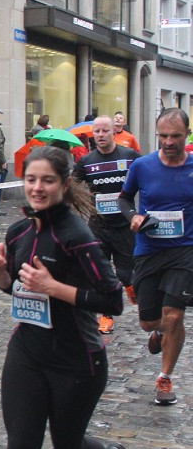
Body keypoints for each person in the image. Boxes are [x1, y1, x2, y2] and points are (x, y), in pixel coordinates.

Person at [0, 145, 126, 449]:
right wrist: (4, 277)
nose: (37, 188)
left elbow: (113, 301)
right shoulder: (17, 233)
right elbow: (19, 292)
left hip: (77, 361)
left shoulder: (77, 237)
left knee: (66, 447)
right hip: (27, 354)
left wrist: (55, 288)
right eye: (31, 179)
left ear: (64, 185)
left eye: (47, 180)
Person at [117, 108, 193, 406]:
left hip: (185, 251)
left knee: (175, 314)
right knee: (150, 322)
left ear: (187, 134)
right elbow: (124, 199)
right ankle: (159, 331)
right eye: (163, 136)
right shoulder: (143, 166)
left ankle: (165, 379)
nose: (169, 141)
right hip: (148, 249)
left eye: (175, 136)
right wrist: (132, 216)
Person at [73, 116, 140, 335]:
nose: (100, 135)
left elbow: (147, 176)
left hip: (124, 226)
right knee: (100, 274)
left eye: (105, 131)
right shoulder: (87, 161)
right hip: (98, 226)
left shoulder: (129, 156)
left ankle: (131, 287)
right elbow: (72, 186)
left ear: (114, 132)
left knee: (124, 274)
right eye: (97, 131)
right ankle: (106, 316)